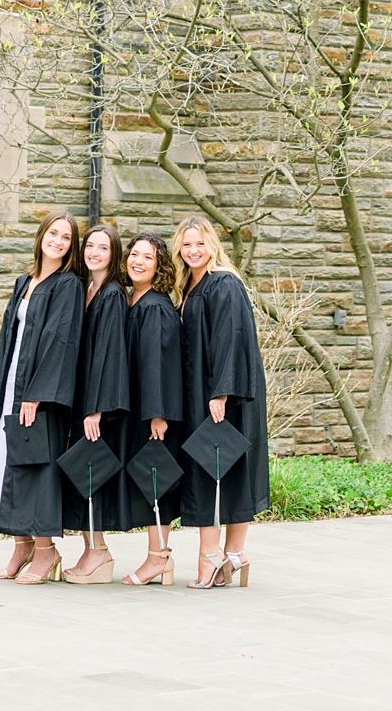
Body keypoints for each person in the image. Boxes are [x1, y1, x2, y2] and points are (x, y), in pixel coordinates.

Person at [0, 211, 85, 584]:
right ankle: (21, 545)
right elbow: (8, 339)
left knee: (38, 465)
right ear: (41, 236)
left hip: (40, 394)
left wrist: (37, 395)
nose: (57, 241)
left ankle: (45, 550)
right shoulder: (25, 280)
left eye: (66, 238)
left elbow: (60, 343)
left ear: (72, 246)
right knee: (8, 464)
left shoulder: (67, 285)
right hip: (12, 388)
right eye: (53, 233)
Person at [174, 213, 269, 590]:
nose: (193, 250)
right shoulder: (191, 285)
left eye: (200, 243)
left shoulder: (224, 283)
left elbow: (232, 338)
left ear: (212, 244)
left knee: (219, 468)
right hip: (205, 391)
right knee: (222, 469)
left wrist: (221, 393)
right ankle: (234, 555)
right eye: (187, 243)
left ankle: (215, 558)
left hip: (224, 395)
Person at [61, 222, 130, 585]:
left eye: (103, 248)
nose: (94, 253)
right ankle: (91, 549)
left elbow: (110, 353)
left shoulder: (114, 295)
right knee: (80, 475)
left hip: (95, 406)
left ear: (113, 254)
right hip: (79, 399)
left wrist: (96, 409)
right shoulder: (88, 288)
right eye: (90, 246)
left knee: (90, 476)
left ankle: (99, 551)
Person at [115, 232, 185, 585]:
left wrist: (158, 414)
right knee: (148, 481)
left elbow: (161, 364)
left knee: (156, 483)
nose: (138, 261)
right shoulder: (132, 299)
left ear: (159, 266)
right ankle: (160, 560)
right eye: (135, 255)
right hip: (138, 410)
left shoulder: (155, 306)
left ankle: (158, 558)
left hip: (153, 414)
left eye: (148, 257)